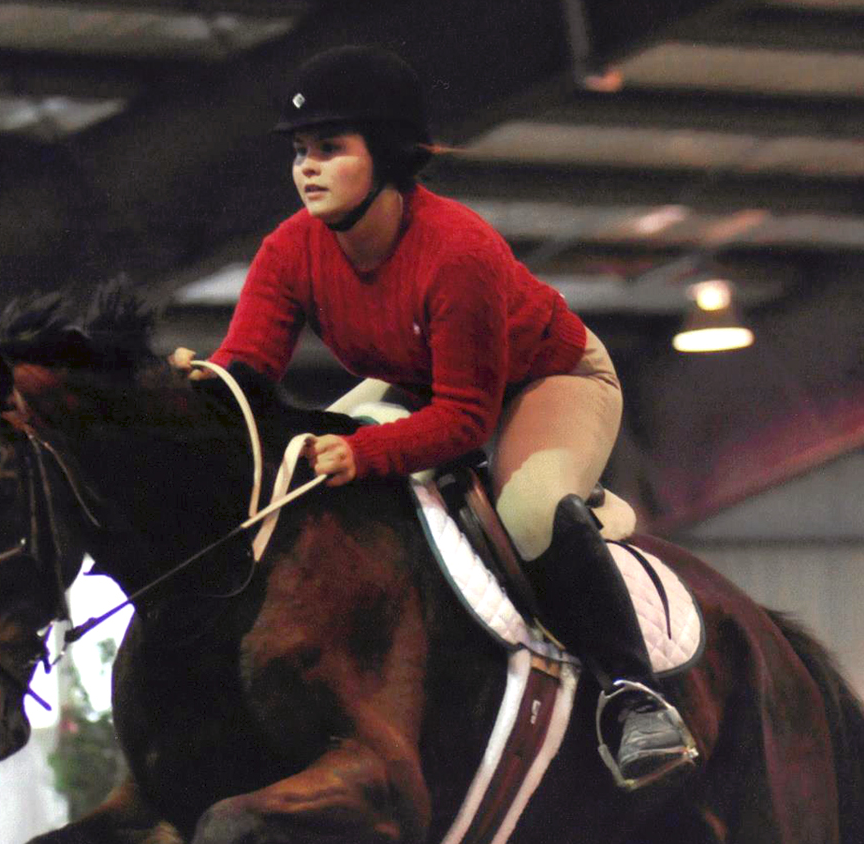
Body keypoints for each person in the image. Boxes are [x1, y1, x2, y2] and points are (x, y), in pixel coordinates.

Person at [169, 45, 695, 791]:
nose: (306, 169)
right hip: (424, 382)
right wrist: (194, 390)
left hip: (548, 378)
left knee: (531, 506)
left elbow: (464, 419)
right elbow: (247, 371)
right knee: (304, 461)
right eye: (299, 152)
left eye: (329, 150)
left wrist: (370, 453)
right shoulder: (290, 250)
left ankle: (636, 697)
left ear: (385, 156)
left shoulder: (457, 251)